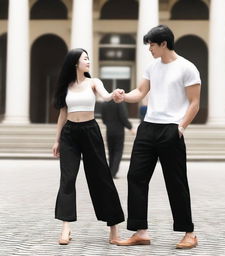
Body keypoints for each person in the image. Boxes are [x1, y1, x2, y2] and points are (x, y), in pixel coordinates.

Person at [113, 25, 201, 249]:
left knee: (176, 181)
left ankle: (189, 233)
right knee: (135, 177)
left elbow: (194, 103)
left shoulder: (187, 68)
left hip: (171, 129)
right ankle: (140, 231)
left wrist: (180, 127)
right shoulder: (152, 66)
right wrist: (124, 96)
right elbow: (140, 92)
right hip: (148, 128)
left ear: (164, 44)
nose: (149, 49)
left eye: (152, 44)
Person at [52, 48, 124, 245]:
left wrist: (115, 94)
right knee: (67, 179)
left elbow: (106, 96)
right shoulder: (66, 86)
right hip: (69, 135)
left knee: (102, 178)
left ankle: (114, 228)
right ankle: (65, 228)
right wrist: (57, 139)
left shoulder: (94, 82)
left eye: (88, 58)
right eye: (85, 58)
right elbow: (62, 114)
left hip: (90, 132)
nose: (88, 61)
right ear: (75, 63)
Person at [101, 100, 135, 179]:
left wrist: (109, 124)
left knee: (111, 152)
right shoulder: (120, 103)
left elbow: (103, 119)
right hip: (119, 131)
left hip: (109, 131)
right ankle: (113, 173)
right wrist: (130, 127)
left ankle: (110, 172)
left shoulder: (104, 104)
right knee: (118, 152)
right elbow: (123, 117)